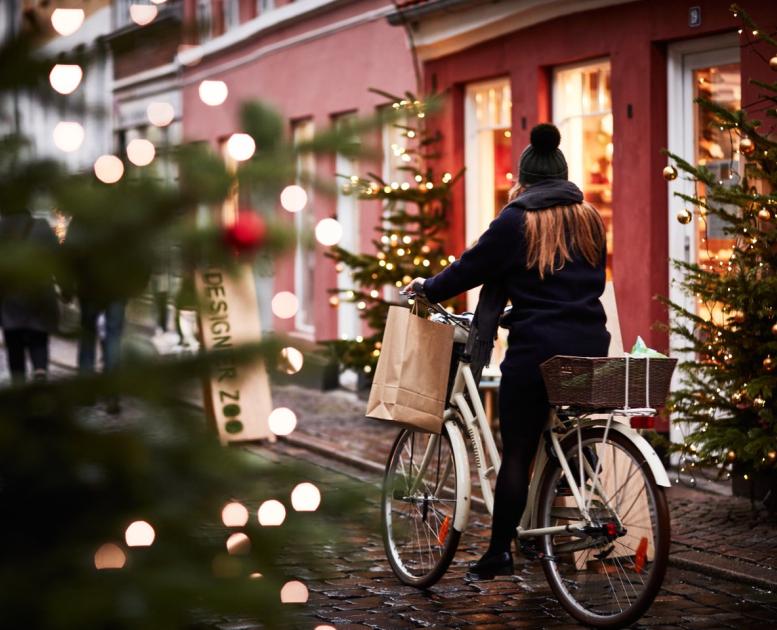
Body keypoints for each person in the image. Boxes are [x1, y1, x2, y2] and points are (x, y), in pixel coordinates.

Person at [404, 123, 610, 580]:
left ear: (524, 178)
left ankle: (499, 551)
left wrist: (428, 287)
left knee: (516, 450)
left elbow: (470, 268)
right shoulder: (591, 217)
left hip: (537, 348)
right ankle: (555, 525)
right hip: (591, 344)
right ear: (563, 175)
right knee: (561, 434)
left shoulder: (516, 219)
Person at [0, 208, 60, 383]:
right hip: (40, 292)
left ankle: (19, 383)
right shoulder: (42, 226)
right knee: (39, 337)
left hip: (11, 297)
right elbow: (59, 259)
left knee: (14, 344)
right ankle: (40, 371)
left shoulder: (2, 228)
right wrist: (67, 288)